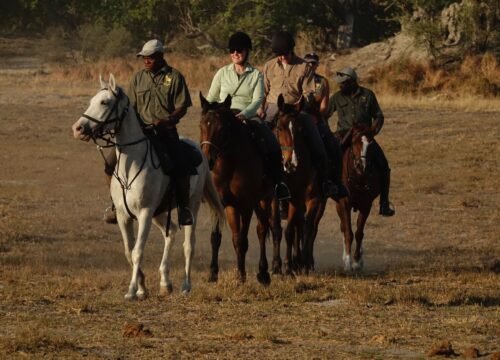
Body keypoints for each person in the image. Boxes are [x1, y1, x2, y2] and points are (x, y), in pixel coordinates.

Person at [103, 39, 195, 225]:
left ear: (161, 56)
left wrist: (168, 120)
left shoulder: (174, 77)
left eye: (150, 57)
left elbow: (182, 106)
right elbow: (130, 107)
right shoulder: (138, 78)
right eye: (144, 58)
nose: (146, 61)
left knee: (181, 165)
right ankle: (115, 203)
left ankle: (184, 208)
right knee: (110, 163)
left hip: (165, 132)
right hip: (139, 132)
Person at [205, 31, 290, 201]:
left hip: (247, 116)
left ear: (247, 51)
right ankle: (202, 183)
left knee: (271, 141)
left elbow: (258, 99)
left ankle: (279, 183)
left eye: (239, 50)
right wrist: (210, 113)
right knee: (206, 140)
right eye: (232, 50)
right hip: (223, 116)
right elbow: (211, 98)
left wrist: (244, 114)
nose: (235, 53)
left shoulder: (256, 74)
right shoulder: (222, 73)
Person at [258, 31, 343, 200]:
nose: (282, 58)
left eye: (284, 54)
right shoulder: (269, 66)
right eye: (279, 55)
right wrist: (261, 109)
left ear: (291, 51)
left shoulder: (304, 67)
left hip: (296, 108)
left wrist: (301, 103)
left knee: (320, 140)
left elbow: (309, 92)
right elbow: (263, 91)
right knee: (255, 136)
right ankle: (256, 179)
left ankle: (327, 182)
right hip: (273, 107)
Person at [328, 67, 395, 216]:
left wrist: (373, 132)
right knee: (330, 159)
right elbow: (324, 114)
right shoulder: (337, 97)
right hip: (344, 135)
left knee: (383, 165)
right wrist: (329, 134)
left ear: (352, 82)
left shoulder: (368, 95)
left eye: (343, 83)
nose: (340, 86)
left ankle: (384, 202)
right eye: (340, 83)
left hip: (364, 136)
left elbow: (379, 116)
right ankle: (329, 188)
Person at [303, 52, 348, 201]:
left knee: (333, 145)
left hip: (316, 120)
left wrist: (314, 116)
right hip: (298, 119)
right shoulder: (297, 79)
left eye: (313, 63)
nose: (310, 65)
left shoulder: (322, 82)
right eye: (307, 62)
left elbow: (324, 106)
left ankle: (334, 182)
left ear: (317, 65)